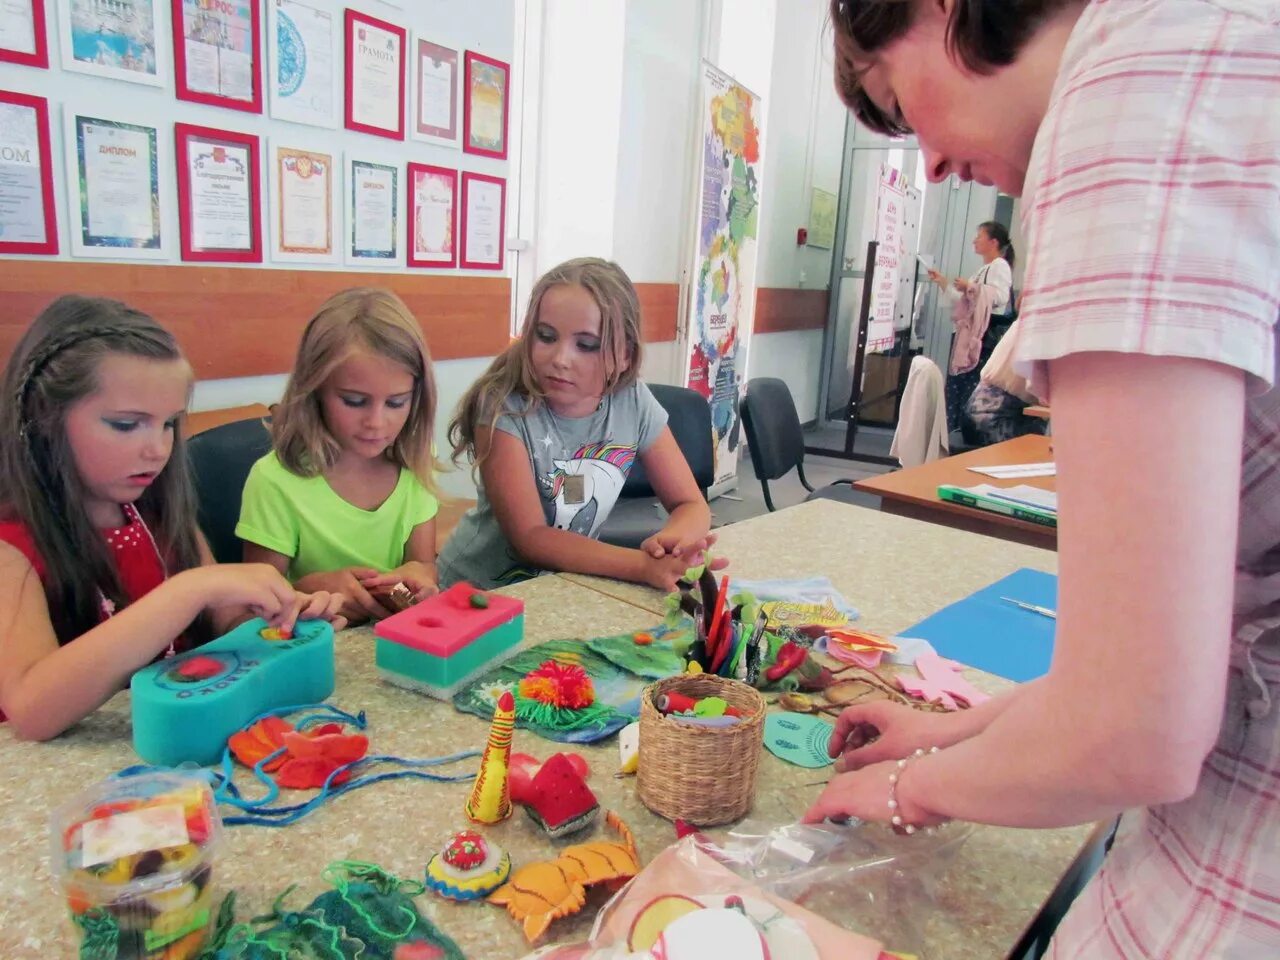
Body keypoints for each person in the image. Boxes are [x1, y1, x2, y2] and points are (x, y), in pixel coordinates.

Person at [810, 1, 1279, 956]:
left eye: (899, 102)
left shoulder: (1125, 90)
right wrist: (951, 732)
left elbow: (1131, 724)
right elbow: (1163, 661)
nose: (932, 164)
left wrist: (910, 791)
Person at [0, 296, 344, 741]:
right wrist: (188, 591)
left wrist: (284, 621)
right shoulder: (12, 547)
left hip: (186, 746)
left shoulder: (157, 511)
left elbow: (224, 622)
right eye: (127, 425)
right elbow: (32, 712)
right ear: (44, 418)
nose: (158, 449)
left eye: (169, 424)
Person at [439, 257, 722, 592]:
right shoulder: (503, 408)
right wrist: (642, 566)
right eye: (546, 336)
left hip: (562, 586)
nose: (560, 359)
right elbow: (530, 538)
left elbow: (691, 504)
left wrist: (672, 545)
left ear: (625, 355)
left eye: (586, 345)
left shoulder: (634, 400)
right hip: (475, 592)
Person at [237, 288, 441, 626]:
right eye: (354, 401)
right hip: (314, 646)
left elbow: (423, 566)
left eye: (396, 403)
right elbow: (251, 611)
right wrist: (309, 589)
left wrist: (417, 579)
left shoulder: (415, 461)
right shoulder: (273, 481)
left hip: (393, 642)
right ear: (315, 390)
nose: (377, 422)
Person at [929, 221, 1016, 432]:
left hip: (983, 337)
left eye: (979, 236)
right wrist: (944, 283)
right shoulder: (985, 269)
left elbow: (1000, 296)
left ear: (993, 242)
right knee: (960, 385)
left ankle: (962, 432)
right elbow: (965, 301)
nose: (974, 240)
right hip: (973, 336)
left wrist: (970, 287)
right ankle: (955, 431)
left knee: (969, 385)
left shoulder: (999, 266)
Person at [961, 319, 1048, 446]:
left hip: (973, 417)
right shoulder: (1044, 331)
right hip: (996, 423)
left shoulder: (1025, 321)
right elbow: (1047, 398)